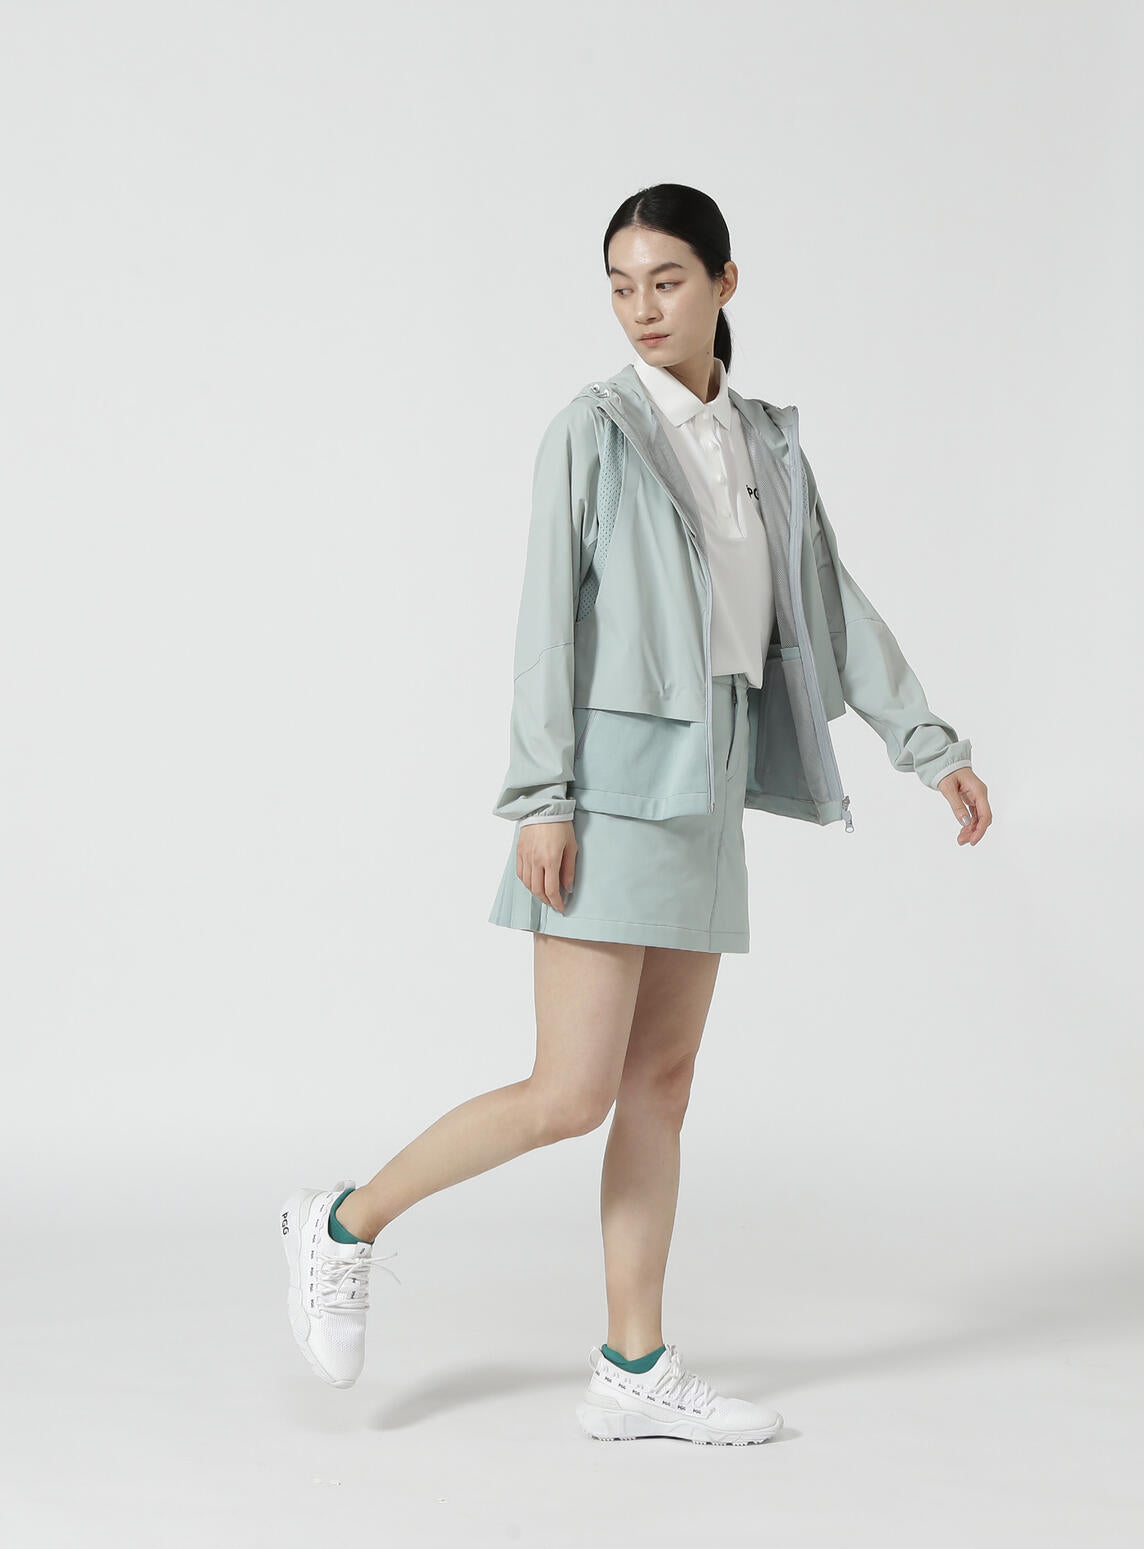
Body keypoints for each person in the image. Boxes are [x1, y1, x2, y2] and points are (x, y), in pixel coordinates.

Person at [280, 183, 991, 1446]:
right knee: (568, 1092)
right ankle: (340, 1225)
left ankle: (632, 1364)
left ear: (724, 281)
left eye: (664, 280)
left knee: (659, 1082)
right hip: (605, 794)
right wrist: (540, 796)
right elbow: (544, 624)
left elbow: (827, 604)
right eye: (619, 285)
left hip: (710, 788)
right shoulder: (591, 429)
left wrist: (923, 745)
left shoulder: (765, 442)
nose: (640, 308)